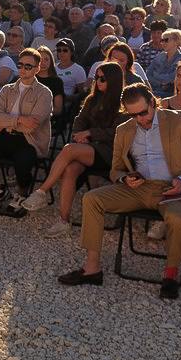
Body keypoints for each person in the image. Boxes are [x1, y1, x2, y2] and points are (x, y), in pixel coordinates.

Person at [59, 83, 181, 301]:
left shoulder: (179, 121)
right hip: (139, 188)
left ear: (153, 102)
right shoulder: (125, 129)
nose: (140, 119)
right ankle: (92, 268)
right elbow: (115, 169)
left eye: (143, 112)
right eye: (133, 115)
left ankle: (171, 275)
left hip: (174, 188)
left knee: (176, 218)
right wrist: (124, 178)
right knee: (92, 199)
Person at [21, 61, 126, 236]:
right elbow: (79, 120)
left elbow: (116, 132)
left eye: (102, 78)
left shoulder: (122, 103)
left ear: (113, 80)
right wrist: (80, 135)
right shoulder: (93, 99)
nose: (97, 81)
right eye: (96, 77)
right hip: (88, 148)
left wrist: (89, 133)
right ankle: (64, 221)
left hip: (110, 152)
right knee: (70, 170)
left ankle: (42, 191)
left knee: (69, 149)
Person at [0, 48, 54, 216]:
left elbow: (32, 126)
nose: (23, 69)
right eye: (20, 65)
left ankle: (22, 193)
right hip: (3, 136)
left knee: (23, 164)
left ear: (37, 69)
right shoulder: (7, 90)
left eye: (28, 66)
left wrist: (9, 120)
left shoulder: (44, 93)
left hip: (28, 140)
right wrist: (20, 119)